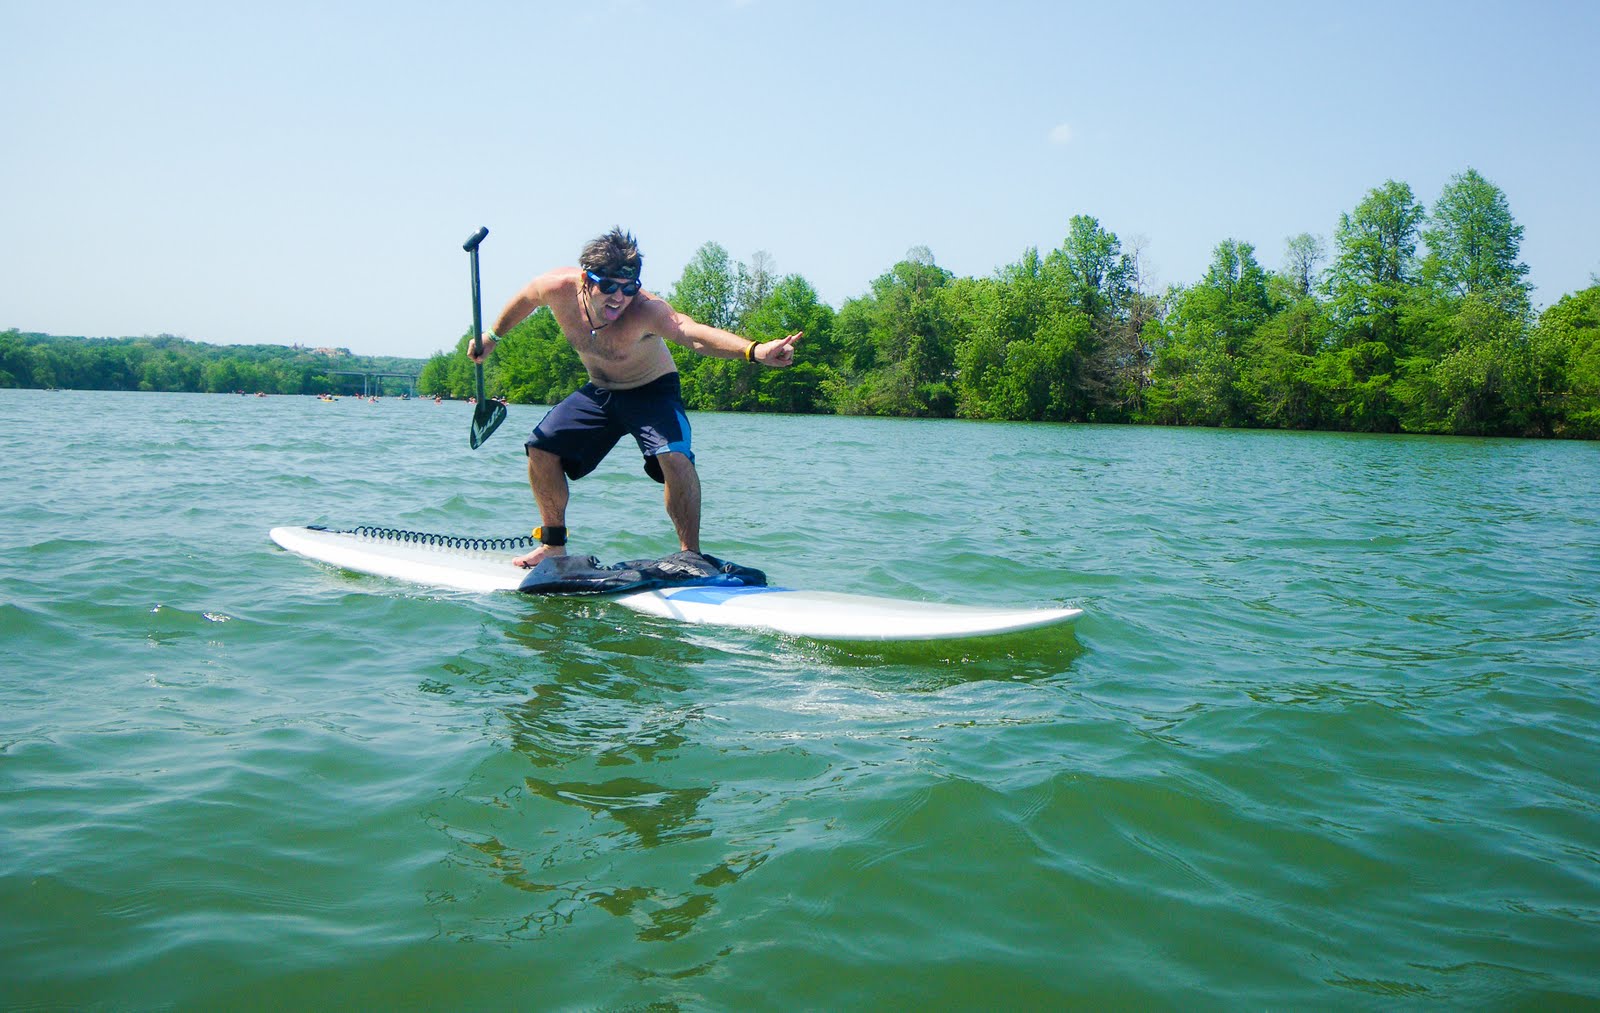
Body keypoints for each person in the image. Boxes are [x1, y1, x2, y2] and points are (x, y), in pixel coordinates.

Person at [468, 227, 801, 568]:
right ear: (585, 278)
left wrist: (754, 350)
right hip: (600, 391)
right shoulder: (555, 287)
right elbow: (526, 298)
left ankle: (690, 556)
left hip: (652, 390)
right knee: (541, 448)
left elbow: (691, 334)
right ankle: (553, 546)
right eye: (608, 286)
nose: (618, 298)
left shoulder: (647, 310)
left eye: (629, 288)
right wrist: (492, 335)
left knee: (673, 456)